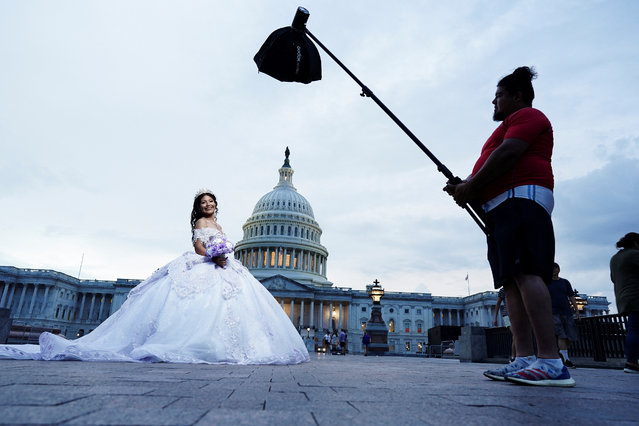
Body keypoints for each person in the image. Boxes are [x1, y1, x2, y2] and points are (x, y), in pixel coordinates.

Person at [0, 189, 310, 365]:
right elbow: (200, 246)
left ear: (217, 205)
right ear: (199, 208)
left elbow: (219, 245)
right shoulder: (200, 223)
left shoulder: (221, 226)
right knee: (195, 307)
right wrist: (213, 255)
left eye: (211, 202)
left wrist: (224, 255)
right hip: (207, 262)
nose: (208, 205)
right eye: (203, 203)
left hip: (226, 265)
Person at [444, 66, 574, 387]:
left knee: (527, 272)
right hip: (503, 205)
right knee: (511, 282)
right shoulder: (512, 122)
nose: (494, 101)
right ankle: (525, 359)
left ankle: (550, 360)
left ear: (518, 97)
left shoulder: (529, 116)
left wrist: (471, 187)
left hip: (522, 198)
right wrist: (467, 187)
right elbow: (495, 164)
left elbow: (508, 154)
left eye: (499, 95)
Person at [610, 232, 639, 374]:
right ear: (635, 243)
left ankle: (632, 361)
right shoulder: (634, 254)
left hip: (623, 297)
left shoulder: (615, 258)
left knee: (633, 329)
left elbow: (613, 278)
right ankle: (632, 362)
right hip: (636, 295)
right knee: (635, 329)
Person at [548, 263, 580, 368]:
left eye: (555, 268)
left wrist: (576, 310)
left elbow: (571, 296)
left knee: (571, 337)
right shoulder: (546, 282)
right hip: (553, 312)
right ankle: (566, 360)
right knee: (562, 335)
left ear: (559, 269)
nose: (554, 270)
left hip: (567, 311)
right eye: (552, 269)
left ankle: (562, 353)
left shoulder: (565, 282)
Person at [493, 287, 516, 362]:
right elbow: (498, 304)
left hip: (515, 314)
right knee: (515, 335)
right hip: (506, 315)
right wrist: (495, 318)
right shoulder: (503, 290)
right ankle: (513, 357)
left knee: (516, 335)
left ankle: (515, 356)